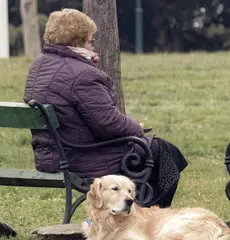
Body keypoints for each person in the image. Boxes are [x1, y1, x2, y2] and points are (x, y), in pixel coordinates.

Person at [23, 8, 187, 207]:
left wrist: (87, 65)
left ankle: (138, 213)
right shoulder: (83, 74)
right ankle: (149, 215)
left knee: (155, 150)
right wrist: (137, 128)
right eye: (91, 40)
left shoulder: (39, 65)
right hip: (80, 157)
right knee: (162, 151)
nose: (93, 44)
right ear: (79, 41)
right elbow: (108, 123)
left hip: (50, 155)